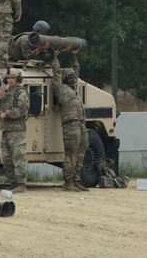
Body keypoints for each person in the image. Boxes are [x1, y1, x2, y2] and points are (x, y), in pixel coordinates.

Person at [51, 47, 90, 192]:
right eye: (70, 76)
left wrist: (74, 56)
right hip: (70, 124)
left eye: (73, 77)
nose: (73, 78)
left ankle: (76, 179)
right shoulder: (60, 88)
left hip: (81, 122)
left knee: (81, 151)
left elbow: (76, 70)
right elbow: (56, 74)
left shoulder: (74, 88)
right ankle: (68, 182)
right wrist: (54, 58)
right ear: (64, 78)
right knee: (71, 154)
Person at [0, 67, 29, 193]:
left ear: (17, 79)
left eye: (12, 78)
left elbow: (22, 110)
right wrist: (0, 97)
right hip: (6, 130)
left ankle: (21, 184)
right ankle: (13, 183)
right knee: (7, 159)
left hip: (17, 130)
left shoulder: (21, 93)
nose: (10, 80)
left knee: (18, 157)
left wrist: (6, 114)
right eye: (8, 78)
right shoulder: (6, 92)